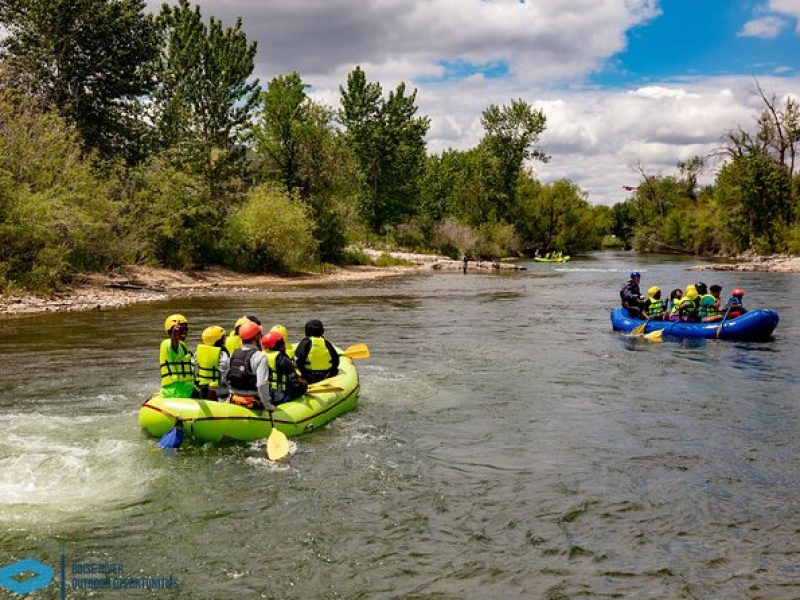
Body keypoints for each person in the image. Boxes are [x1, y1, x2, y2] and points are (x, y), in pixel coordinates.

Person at [225, 321, 273, 411]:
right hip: (252, 402)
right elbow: (262, 384)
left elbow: (227, 378)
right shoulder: (260, 356)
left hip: (234, 399)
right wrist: (268, 406)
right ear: (256, 337)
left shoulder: (233, 354)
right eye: (260, 335)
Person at [262, 331, 308, 404]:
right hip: (279, 397)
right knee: (304, 384)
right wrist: (303, 385)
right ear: (280, 345)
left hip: (264, 394)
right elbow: (294, 382)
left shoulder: (260, 356)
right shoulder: (282, 359)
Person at [160, 314, 195, 398]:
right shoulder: (168, 344)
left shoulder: (183, 346)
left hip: (186, 389)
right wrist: (175, 333)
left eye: (185, 329)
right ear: (170, 331)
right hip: (176, 391)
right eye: (181, 329)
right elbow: (174, 345)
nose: (184, 331)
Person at [294, 319, 340, 384]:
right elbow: (336, 361)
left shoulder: (305, 343)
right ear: (322, 331)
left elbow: (298, 361)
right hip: (326, 376)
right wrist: (330, 373)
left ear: (306, 331)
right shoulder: (327, 343)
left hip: (309, 377)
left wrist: (302, 374)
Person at [195, 325, 230, 401]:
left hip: (202, 389)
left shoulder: (197, 353)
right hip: (219, 392)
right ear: (217, 340)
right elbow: (226, 374)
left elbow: (193, 369)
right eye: (222, 338)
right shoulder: (222, 355)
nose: (224, 340)